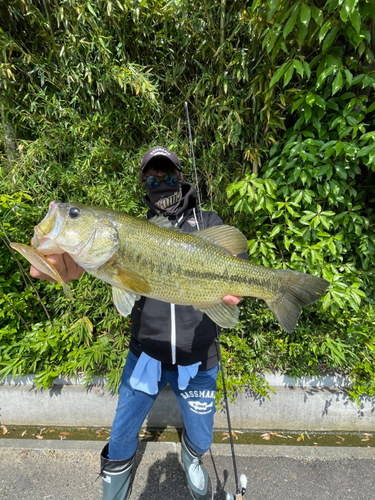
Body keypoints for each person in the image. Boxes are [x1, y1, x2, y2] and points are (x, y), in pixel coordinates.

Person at [30, 146, 243, 500]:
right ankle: (116, 479)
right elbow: (88, 269)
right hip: (145, 357)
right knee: (122, 431)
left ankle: (192, 457)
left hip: (199, 358)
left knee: (203, 437)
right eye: (152, 177)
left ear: (182, 177)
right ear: (143, 182)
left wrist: (243, 276)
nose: (161, 183)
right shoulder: (132, 231)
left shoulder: (208, 223)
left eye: (169, 175)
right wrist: (61, 264)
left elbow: (235, 253)